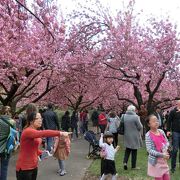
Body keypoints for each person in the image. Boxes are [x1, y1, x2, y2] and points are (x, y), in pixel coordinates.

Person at [16, 111, 69, 180]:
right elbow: (43, 133)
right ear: (31, 121)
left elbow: (33, 149)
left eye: (41, 118)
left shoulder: (35, 130)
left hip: (34, 166)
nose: (41, 120)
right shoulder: (28, 131)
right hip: (24, 168)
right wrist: (60, 133)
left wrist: (42, 153)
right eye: (38, 118)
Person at [145, 115, 170, 180]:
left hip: (164, 161)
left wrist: (165, 148)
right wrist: (162, 154)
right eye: (153, 121)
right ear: (148, 124)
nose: (156, 122)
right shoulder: (148, 135)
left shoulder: (161, 131)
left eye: (157, 121)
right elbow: (149, 150)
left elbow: (167, 142)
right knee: (159, 178)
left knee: (167, 178)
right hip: (156, 162)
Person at [123, 105, 143, 170]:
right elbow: (140, 127)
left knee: (127, 149)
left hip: (127, 135)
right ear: (134, 110)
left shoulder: (124, 116)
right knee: (134, 151)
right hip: (134, 135)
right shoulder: (135, 117)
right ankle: (133, 166)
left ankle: (125, 162)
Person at [0, 106, 16, 180]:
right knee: (4, 167)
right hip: (7, 148)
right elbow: (13, 136)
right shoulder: (12, 122)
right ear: (9, 112)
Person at [167, 100, 180, 173]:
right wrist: (168, 130)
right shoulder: (173, 111)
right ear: (177, 104)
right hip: (175, 132)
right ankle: (173, 167)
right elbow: (169, 121)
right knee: (175, 150)